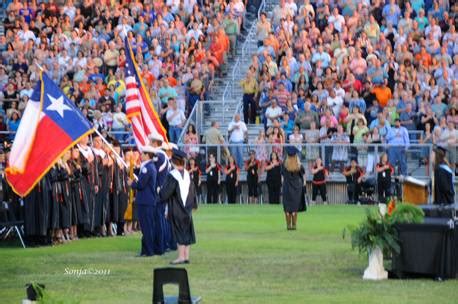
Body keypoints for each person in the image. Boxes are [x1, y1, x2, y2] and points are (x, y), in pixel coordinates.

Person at [159, 148, 198, 265]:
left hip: (176, 208)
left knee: (179, 231)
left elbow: (166, 193)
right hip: (187, 208)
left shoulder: (173, 175)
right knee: (187, 230)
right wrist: (194, 204)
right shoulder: (187, 174)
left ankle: (181, 257)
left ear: (173, 162)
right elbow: (193, 191)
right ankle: (186, 256)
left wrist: (159, 192)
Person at [127, 146, 157, 257]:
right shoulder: (148, 166)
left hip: (145, 201)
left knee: (146, 227)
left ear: (148, 155)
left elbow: (141, 184)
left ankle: (149, 251)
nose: (141, 155)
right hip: (147, 201)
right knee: (145, 227)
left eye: (143, 154)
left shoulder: (147, 168)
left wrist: (132, 184)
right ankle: (145, 250)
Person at [282, 146, 307, 230]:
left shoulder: (284, 165)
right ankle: (294, 225)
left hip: (287, 187)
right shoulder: (299, 165)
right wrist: (303, 184)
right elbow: (303, 176)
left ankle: (288, 225)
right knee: (294, 208)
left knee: (287, 207)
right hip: (297, 187)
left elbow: (282, 177)